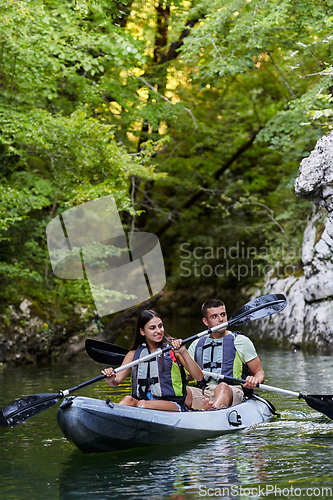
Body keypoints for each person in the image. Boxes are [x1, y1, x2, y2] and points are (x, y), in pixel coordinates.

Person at [102, 309, 204, 412]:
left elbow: (199, 377)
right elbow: (115, 381)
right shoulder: (133, 354)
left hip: (172, 404)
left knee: (142, 404)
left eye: (160, 326)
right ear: (142, 331)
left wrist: (183, 352)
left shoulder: (174, 350)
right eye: (152, 328)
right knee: (128, 400)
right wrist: (110, 378)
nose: (158, 331)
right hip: (144, 403)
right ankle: (110, 417)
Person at [186, 299, 265, 410]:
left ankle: (211, 412)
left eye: (223, 314)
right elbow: (186, 375)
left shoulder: (241, 341)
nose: (221, 319)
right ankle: (205, 408)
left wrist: (255, 380)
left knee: (222, 387)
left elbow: (259, 372)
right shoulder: (196, 344)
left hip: (231, 390)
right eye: (214, 316)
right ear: (205, 321)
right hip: (204, 391)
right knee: (185, 391)